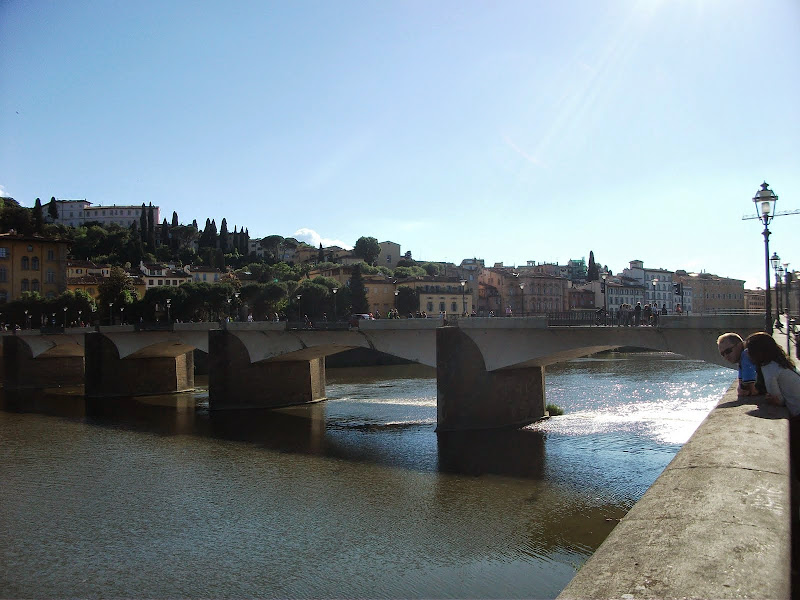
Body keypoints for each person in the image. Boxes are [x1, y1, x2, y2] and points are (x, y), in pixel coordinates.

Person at [745, 332, 800, 416]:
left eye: (749, 350)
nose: (747, 353)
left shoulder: (769, 368)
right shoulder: (781, 363)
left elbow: (777, 399)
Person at [717, 332, 765, 396]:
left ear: (739, 345)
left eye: (728, 351)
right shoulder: (742, 358)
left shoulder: (746, 356)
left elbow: (752, 391)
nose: (726, 356)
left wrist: (747, 390)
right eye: (722, 354)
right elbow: (741, 385)